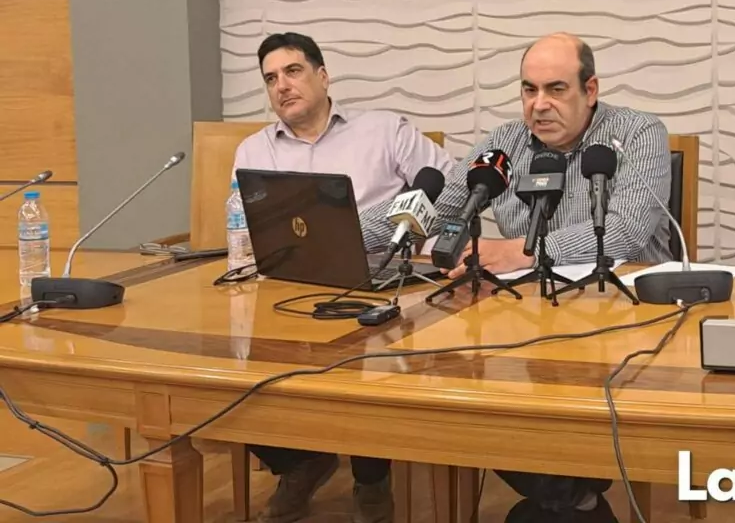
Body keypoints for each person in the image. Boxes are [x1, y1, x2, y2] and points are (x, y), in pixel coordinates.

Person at [361, 32, 673, 523]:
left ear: (590, 90)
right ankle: (572, 498)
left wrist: (523, 250)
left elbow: (624, 235)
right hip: (529, 321)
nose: (539, 105)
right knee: (458, 387)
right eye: (529, 90)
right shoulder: (504, 144)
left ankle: (567, 496)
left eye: (556, 89)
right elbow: (434, 210)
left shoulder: (636, 134)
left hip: (622, 322)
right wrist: (336, 232)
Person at [233, 32, 454, 523]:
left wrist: (403, 236)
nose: (282, 85)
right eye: (270, 78)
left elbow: (450, 187)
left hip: (377, 285)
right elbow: (246, 230)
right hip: (286, 288)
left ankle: (371, 477)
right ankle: (299, 462)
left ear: (323, 76)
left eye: (293, 71)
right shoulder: (253, 151)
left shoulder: (383, 130)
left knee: (369, 357)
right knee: (230, 365)